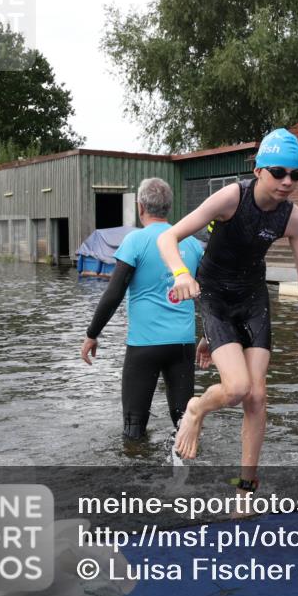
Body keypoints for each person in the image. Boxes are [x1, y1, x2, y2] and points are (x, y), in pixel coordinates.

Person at [158, 128, 298, 485]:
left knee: (257, 395)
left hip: (252, 297)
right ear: (259, 171)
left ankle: (245, 489)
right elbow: (168, 236)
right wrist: (180, 273)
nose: (287, 182)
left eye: (295, 174)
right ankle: (196, 408)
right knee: (236, 389)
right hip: (216, 295)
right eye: (278, 172)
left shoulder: (293, 218)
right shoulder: (232, 198)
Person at [81, 178, 205, 440]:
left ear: (140, 207)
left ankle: (138, 474)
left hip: (144, 346)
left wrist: (92, 334)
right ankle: (186, 473)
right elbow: (208, 297)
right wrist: (211, 337)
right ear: (169, 208)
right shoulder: (192, 244)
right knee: (184, 424)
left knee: (134, 427)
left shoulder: (135, 241)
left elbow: (113, 294)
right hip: (182, 345)